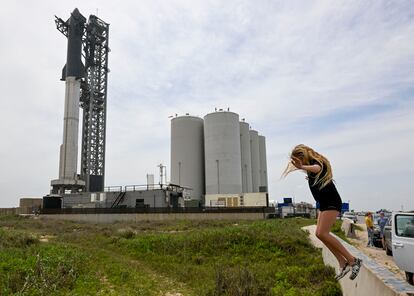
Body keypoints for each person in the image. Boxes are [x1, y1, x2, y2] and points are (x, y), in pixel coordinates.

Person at [282, 144, 362, 281]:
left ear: (303, 157)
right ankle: (343, 263)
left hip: (331, 202)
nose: (298, 164)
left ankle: (353, 260)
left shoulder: (317, 163)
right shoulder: (310, 169)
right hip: (324, 204)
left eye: (298, 160)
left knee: (322, 233)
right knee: (319, 234)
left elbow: (317, 168)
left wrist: (302, 167)